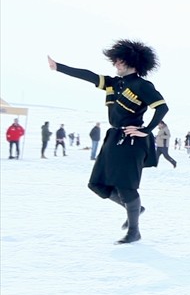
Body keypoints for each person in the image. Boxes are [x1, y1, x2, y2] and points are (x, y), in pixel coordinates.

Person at [47, 40, 168, 244]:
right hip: (113, 137)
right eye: (115, 61)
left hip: (132, 140)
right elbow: (89, 75)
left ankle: (134, 231)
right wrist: (58, 67)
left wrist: (145, 130)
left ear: (133, 62)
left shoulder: (142, 85)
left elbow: (162, 108)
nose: (116, 65)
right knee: (96, 184)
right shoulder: (114, 83)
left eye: (120, 61)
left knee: (126, 187)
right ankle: (135, 208)